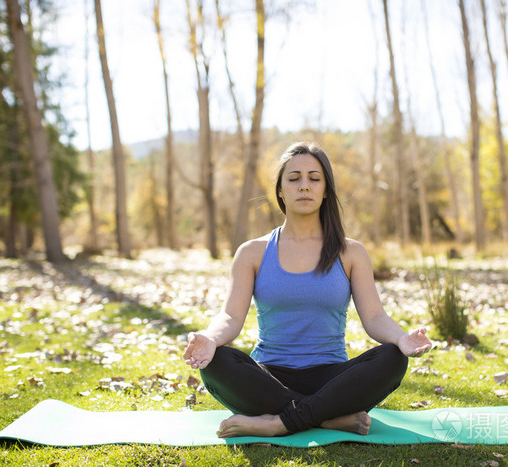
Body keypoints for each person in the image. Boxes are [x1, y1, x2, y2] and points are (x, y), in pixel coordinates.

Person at [183, 142, 432, 438]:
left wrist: (402, 339)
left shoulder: (350, 252)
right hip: (270, 377)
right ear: (280, 190)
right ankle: (327, 418)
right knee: (216, 362)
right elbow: (230, 316)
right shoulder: (252, 252)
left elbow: (375, 317)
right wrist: (210, 339)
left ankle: (278, 423)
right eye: (294, 178)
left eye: (314, 178)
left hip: (332, 379)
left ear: (325, 190)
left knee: (392, 358)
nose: (304, 186)